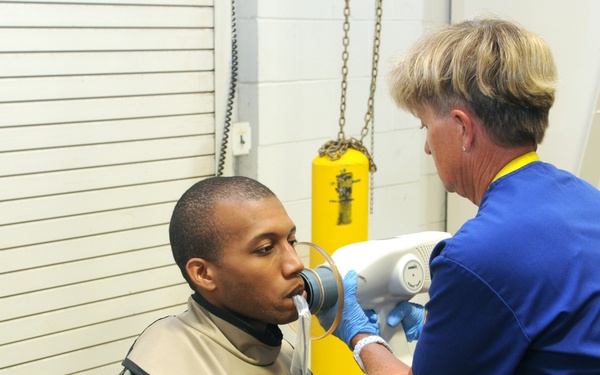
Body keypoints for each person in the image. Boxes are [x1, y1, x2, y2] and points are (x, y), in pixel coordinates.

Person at [322, 17, 600, 374]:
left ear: (463, 128)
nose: (426, 146)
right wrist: (454, 331)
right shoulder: (587, 200)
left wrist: (361, 338)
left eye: (425, 125)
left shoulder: (475, 256)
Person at [120, 176, 308, 374]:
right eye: (265, 249)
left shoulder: (281, 352)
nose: (296, 264)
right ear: (204, 274)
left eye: (291, 241)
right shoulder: (162, 361)